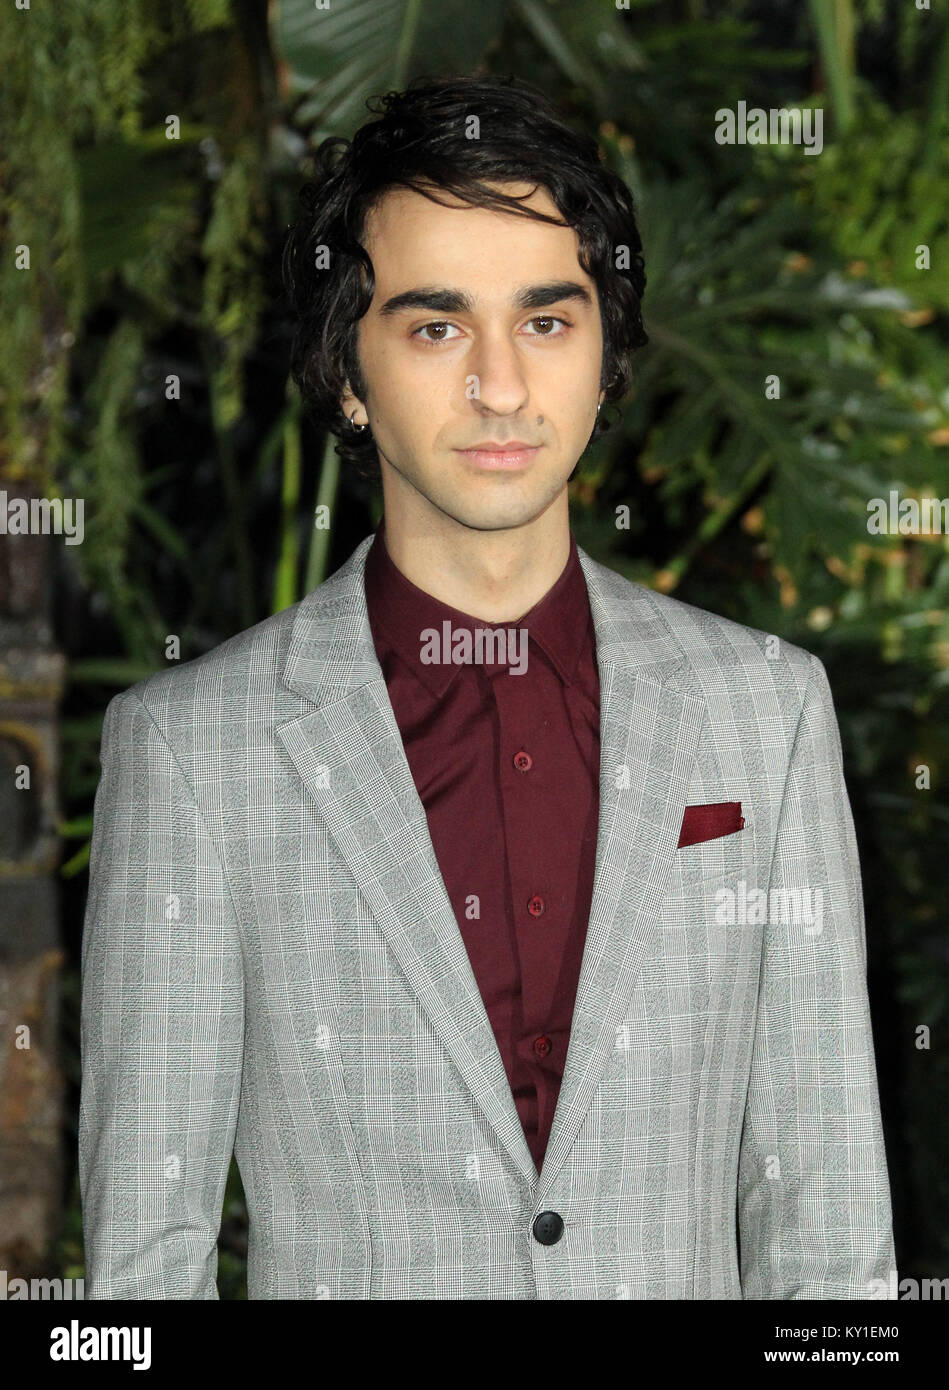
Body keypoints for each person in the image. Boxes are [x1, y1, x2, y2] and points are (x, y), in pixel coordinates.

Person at [79, 73, 896, 1299]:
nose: (502, 386)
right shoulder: (194, 753)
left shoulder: (763, 714)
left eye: (548, 321)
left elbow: (828, 1232)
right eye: (435, 325)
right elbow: (146, 1266)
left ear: (607, 356)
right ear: (347, 373)